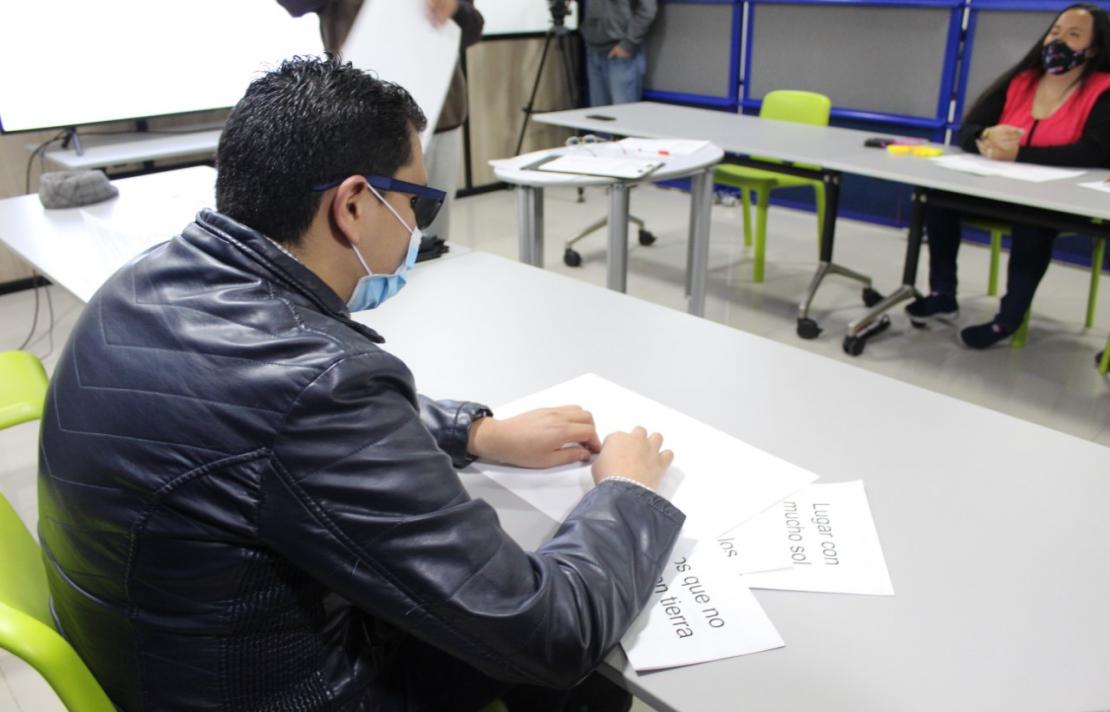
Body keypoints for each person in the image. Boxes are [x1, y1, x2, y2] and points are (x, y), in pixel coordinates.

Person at [37, 56, 684, 711]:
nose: (417, 225)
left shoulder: (145, 281)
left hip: (161, 664)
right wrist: (626, 495)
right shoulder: (318, 384)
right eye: (416, 203)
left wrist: (475, 431)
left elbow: (257, 416)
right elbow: (551, 632)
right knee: (584, 678)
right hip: (274, 692)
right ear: (352, 205)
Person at [905, 3, 1110, 349]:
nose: (1058, 41)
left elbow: (1096, 152)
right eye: (1055, 31)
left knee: (1033, 224)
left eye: (1073, 35)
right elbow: (968, 129)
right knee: (937, 199)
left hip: (1059, 198)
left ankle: (1008, 320)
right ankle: (942, 294)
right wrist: (984, 138)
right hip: (999, 188)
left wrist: (1021, 155)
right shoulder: (1022, 80)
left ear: (1093, 49)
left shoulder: (1103, 90)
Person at [278, 0, 483, 243]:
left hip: (439, 115)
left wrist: (455, 7)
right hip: (362, 117)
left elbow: (473, 27)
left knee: (431, 240)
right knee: (368, 241)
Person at [579, 0, 657, 106]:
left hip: (621, 55)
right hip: (593, 50)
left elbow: (648, 10)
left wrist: (628, 44)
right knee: (598, 117)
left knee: (623, 116)